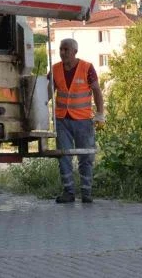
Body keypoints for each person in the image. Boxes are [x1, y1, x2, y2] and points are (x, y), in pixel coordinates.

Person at [49, 38, 105, 204]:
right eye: (61, 49)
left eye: (66, 49)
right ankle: (68, 192)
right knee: (63, 156)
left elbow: (97, 90)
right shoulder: (55, 69)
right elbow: (46, 93)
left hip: (83, 121)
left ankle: (86, 193)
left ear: (75, 51)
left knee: (86, 156)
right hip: (62, 120)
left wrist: (100, 114)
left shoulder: (87, 68)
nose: (62, 52)